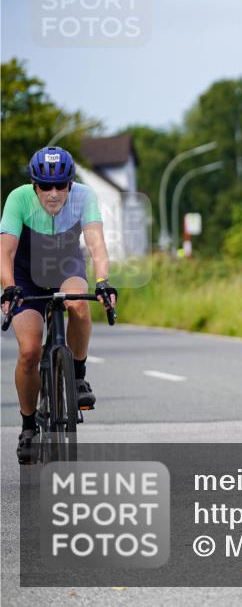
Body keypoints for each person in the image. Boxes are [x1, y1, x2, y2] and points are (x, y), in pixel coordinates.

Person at [1, 146, 118, 463]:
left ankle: (77, 375)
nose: (53, 193)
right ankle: (28, 427)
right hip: (25, 275)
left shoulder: (84, 197)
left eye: (61, 186)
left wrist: (103, 282)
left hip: (66, 266)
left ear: (70, 184)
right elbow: (6, 251)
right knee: (29, 351)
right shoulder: (18, 199)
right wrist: (9, 287)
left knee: (79, 307)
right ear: (34, 184)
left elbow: (95, 243)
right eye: (45, 186)